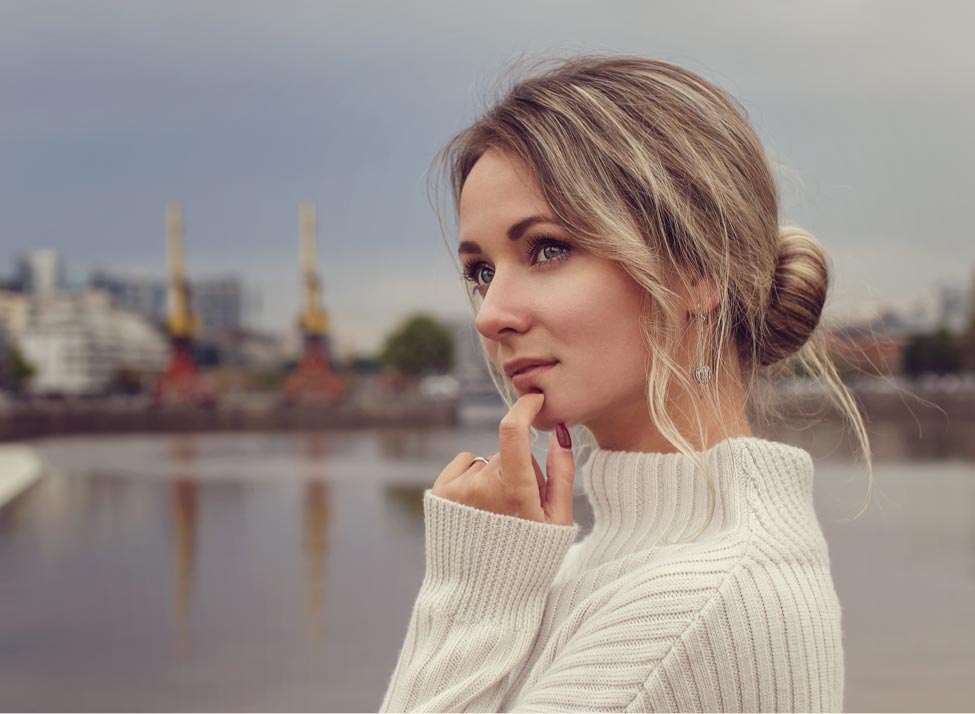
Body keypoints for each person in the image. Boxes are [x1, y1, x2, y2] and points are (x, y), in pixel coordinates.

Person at [379, 54, 871, 713]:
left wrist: (472, 590)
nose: (491, 314)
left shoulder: (700, 606)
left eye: (547, 249)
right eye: (480, 272)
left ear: (695, 270)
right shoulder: (598, 566)